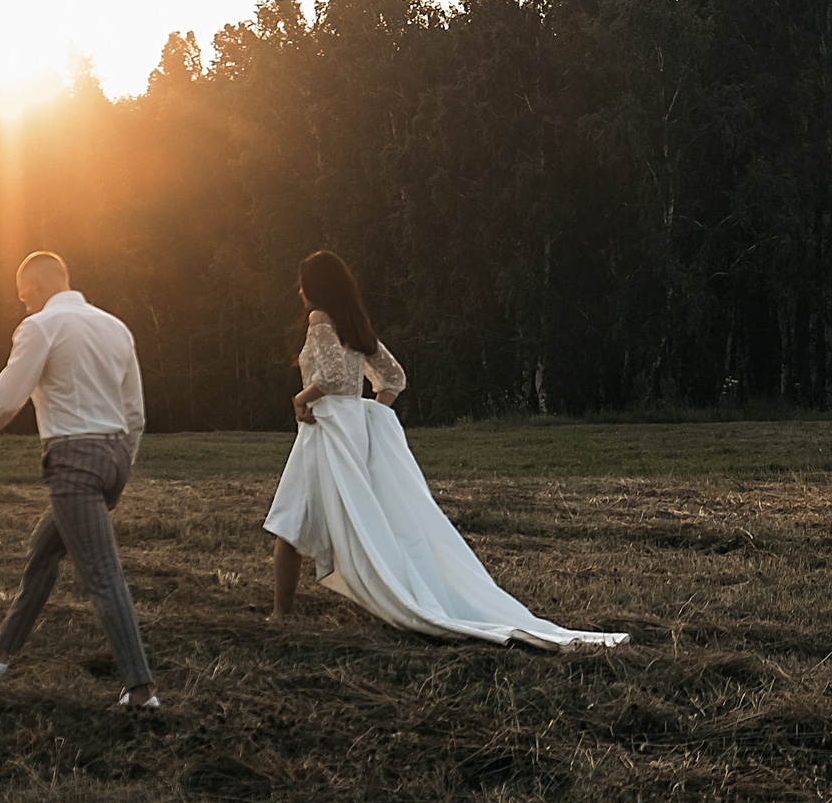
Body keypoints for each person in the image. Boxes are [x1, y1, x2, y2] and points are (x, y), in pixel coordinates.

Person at [261, 250, 628, 649]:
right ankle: (283, 611)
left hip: (325, 432)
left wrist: (302, 397)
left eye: (302, 284)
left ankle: (281, 613)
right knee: (296, 518)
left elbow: (332, 375)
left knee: (290, 520)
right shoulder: (354, 325)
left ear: (316, 287)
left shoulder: (320, 321)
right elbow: (394, 378)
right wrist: (368, 415)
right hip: (347, 431)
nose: (299, 292)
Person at [0, 251, 158, 711]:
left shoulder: (41, 327)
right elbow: (136, 411)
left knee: (102, 575)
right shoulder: (115, 327)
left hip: (73, 463)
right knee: (44, 551)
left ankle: (140, 691)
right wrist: (120, 464)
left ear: (39, 287)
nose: (25, 306)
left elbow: (7, 397)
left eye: (25, 297)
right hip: (114, 457)